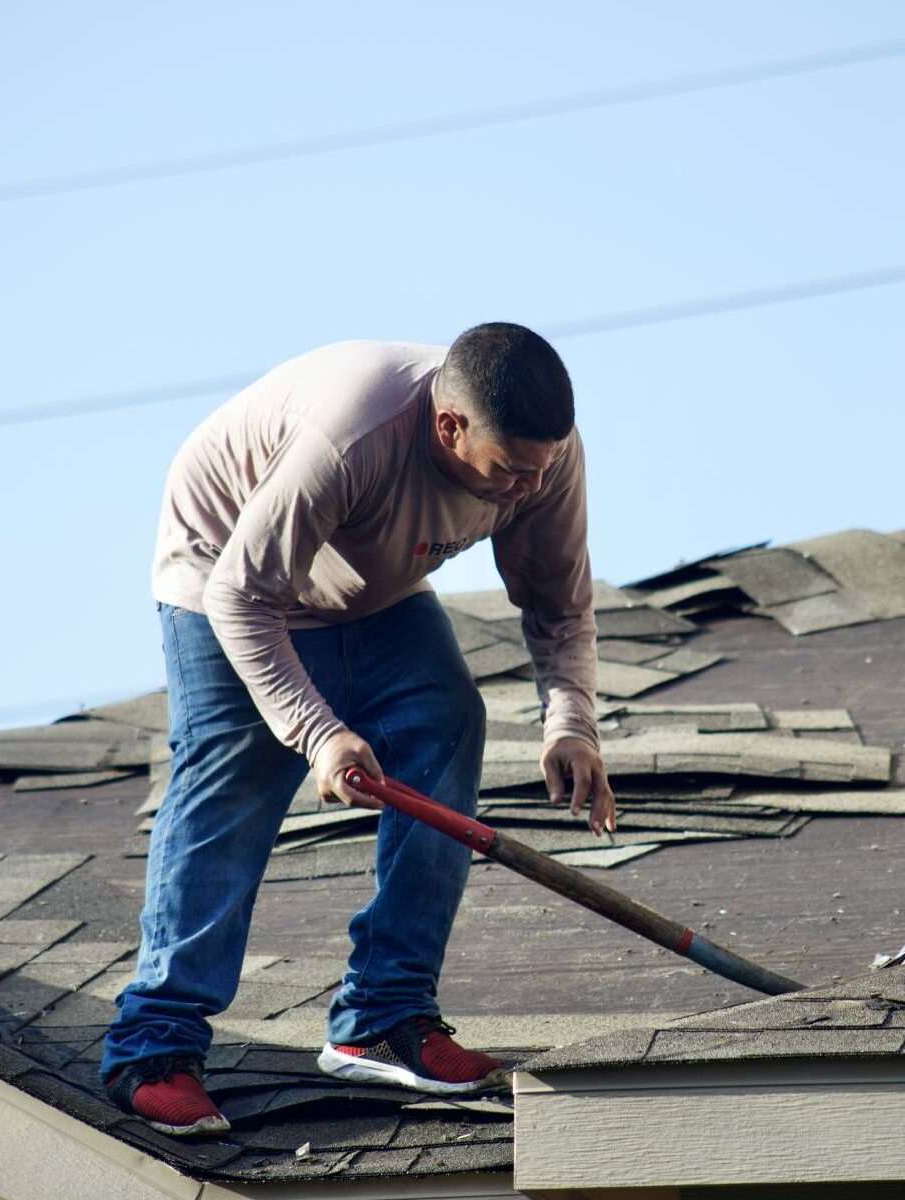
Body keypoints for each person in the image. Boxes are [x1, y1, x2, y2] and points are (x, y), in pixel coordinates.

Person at [99, 324, 618, 1137]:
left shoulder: (542, 457)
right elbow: (243, 596)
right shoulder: (352, 437)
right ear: (450, 428)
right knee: (235, 776)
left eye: (540, 468)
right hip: (224, 577)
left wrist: (572, 725)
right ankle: (154, 1048)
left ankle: (383, 1016)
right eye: (510, 471)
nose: (525, 488)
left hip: (367, 588)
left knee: (446, 720)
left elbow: (559, 604)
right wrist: (317, 731)